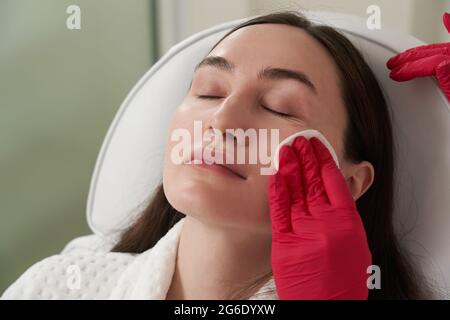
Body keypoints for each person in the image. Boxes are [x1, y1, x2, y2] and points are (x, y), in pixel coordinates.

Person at [1, 11, 429, 300]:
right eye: (209, 91)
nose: (223, 122)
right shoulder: (58, 287)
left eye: (279, 106)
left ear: (351, 181)